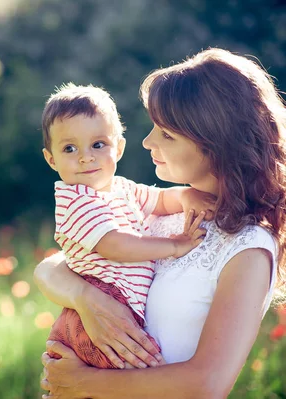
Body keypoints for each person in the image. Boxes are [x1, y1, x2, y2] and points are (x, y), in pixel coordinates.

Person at [35, 47, 286, 399]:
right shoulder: (163, 215)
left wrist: (82, 383)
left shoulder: (249, 249)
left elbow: (207, 384)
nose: (147, 141)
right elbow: (53, 266)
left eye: (166, 135)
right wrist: (87, 298)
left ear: (218, 145)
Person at [40, 83, 213, 368]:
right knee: (115, 376)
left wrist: (187, 195)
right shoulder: (75, 200)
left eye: (98, 144)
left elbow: (159, 200)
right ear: (51, 159)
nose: (86, 156)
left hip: (117, 307)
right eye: (70, 148)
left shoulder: (121, 189)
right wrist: (173, 245)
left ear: (118, 148)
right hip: (99, 306)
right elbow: (115, 245)